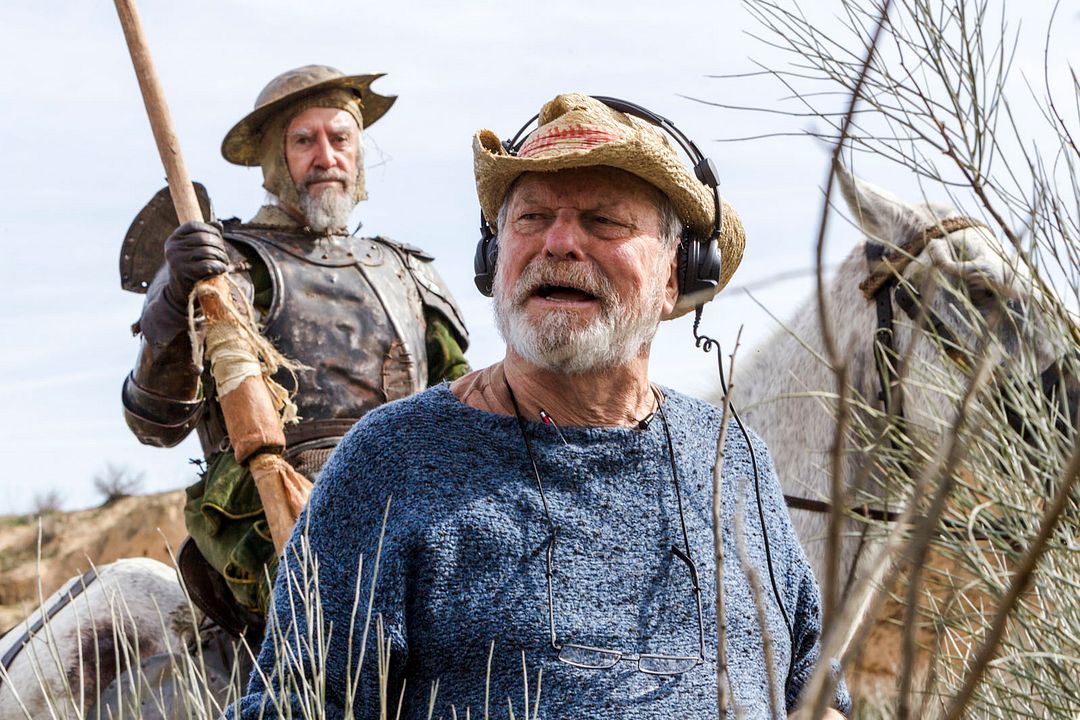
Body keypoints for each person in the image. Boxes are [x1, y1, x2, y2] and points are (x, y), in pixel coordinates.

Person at [233, 93, 849, 718]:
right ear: (494, 257)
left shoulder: (734, 459)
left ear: (675, 275)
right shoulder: (392, 462)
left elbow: (817, 697)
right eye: (530, 218)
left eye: (604, 221)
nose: (558, 242)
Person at [121, 65, 470, 630]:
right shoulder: (223, 265)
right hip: (271, 516)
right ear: (273, 159)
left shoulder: (407, 272)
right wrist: (173, 299)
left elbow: (469, 411)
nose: (326, 157)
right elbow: (153, 424)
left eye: (340, 138)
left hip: (409, 501)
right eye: (304, 140)